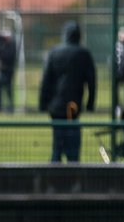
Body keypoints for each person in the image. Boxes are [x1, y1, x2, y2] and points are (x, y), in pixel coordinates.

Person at [38, 21, 96, 163]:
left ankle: (55, 166)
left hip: (56, 106)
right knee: (72, 138)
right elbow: (92, 81)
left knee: (57, 139)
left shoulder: (53, 52)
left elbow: (46, 80)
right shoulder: (84, 54)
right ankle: (73, 165)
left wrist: (42, 103)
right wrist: (90, 103)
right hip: (74, 104)